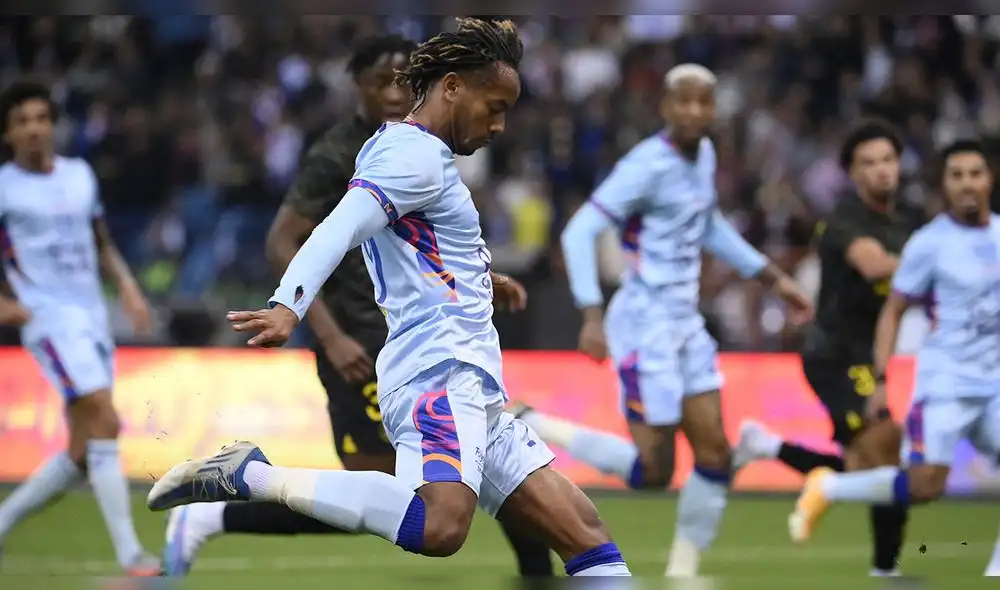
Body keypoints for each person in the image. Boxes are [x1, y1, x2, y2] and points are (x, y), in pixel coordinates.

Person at [147, 18, 631, 577]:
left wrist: (480, 277)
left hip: (473, 384)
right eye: (493, 106)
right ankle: (250, 475)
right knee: (440, 527)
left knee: (588, 540)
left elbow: (415, 245)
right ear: (452, 87)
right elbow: (337, 226)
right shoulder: (413, 155)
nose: (499, 125)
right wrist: (290, 305)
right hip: (437, 371)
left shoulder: (417, 155)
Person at [509, 63, 814, 577]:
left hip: (685, 322)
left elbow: (708, 224)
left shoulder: (705, 155)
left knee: (715, 452)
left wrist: (772, 278)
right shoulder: (646, 165)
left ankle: (683, 572)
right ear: (666, 107)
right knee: (653, 470)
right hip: (644, 324)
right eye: (684, 102)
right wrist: (591, 313)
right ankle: (535, 423)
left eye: (704, 102)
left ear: (713, 109)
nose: (694, 111)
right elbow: (580, 230)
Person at [789, 138, 1000, 577]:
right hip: (946, 384)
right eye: (956, 175)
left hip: (994, 383)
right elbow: (894, 310)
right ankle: (831, 487)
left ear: (989, 179)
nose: (967, 184)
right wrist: (883, 378)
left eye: (975, 174)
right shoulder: (927, 243)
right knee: (924, 485)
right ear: (944, 184)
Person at [734, 119, 926, 576]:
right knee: (884, 447)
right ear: (853, 173)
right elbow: (875, 265)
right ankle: (886, 569)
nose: (881, 170)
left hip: (869, 354)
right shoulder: (843, 221)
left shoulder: (908, 220)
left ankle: (769, 446)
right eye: (868, 163)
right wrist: (935, 256)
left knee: (867, 463)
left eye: (887, 160)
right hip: (833, 354)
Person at [0, 81, 158, 576]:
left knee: (84, 451)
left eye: (40, 118)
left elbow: (101, 242)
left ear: (52, 125)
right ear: (8, 132)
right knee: (106, 421)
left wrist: (128, 289)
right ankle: (131, 555)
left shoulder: (79, 175)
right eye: (22, 120)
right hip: (46, 319)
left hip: (90, 315)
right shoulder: (4, 186)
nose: (33, 129)